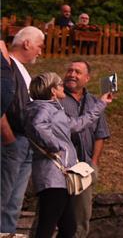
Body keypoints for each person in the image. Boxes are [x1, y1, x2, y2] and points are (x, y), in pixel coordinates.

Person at [25, 71, 112, 238]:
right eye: (59, 85)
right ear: (52, 90)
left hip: (60, 177)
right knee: (46, 226)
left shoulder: (54, 109)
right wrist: (55, 145)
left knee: (68, 228)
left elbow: (79, 124)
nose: (62, 86)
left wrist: (101, 103)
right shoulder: (43, 108)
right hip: (52, 177)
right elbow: (38, 125)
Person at [1, 26, 45, 234]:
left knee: (14, 202)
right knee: (3, 196)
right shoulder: (6, 65)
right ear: (27, 43)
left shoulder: (22, 70)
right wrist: (8, 137)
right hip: (11, 141)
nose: (40, 51)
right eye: (39, 46)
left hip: (25, 142)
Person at [61, 60, 111, 238]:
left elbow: (100, 134)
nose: (72, 74)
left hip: (84, 167)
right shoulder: (57, 98)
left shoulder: (94, 102)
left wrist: (94, 163)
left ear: (87, 78)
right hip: (60, 166)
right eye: (69, 70)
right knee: (52, 213)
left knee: (81, 216)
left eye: (77, 72)